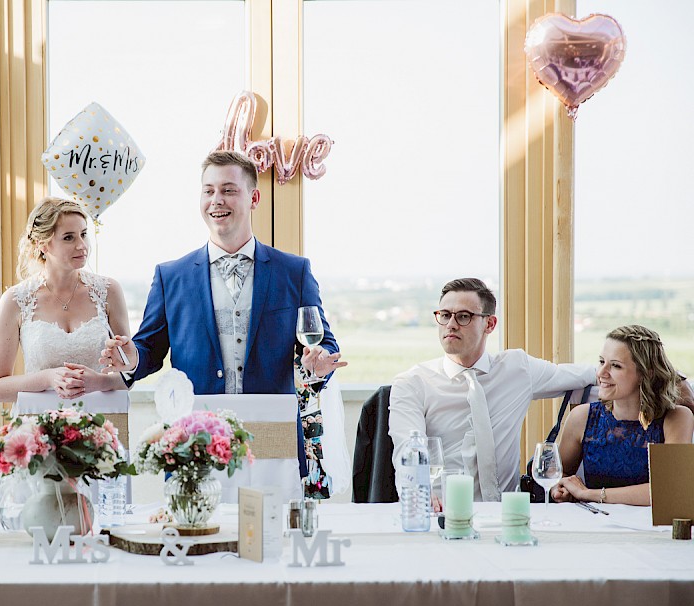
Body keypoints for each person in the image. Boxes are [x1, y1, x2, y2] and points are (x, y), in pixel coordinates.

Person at [100, 150, 346, 474]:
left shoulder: (294, 271)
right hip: (196, 442)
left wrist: (318, 363)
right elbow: (149, 350)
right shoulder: (171, 276)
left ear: (254, 197)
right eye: (209, 190)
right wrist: (130, 357)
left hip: (273, 439)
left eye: (229, 190)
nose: (217, 199)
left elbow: (323, 343)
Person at [389, 278, 595, 501]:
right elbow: (408, 451)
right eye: (445, 315)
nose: (451, 324)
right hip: (440, 512)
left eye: (464, 316)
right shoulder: (412, 383)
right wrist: (420, 495)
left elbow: (587, 375)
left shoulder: (517, 368)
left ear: (490, 324)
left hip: (507, 513)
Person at [0, 197, 130, 403]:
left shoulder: (109, 292)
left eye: (83, 234)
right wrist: (47, 378)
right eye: (69, 238)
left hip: (101, 422)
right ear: (42, 244)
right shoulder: (15, 301)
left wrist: (100, 381)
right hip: (38, 426)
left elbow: (130, 374)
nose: (82, 246)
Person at [552, 325, 693, 506]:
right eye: (602, 362)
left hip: (652, 529)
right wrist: (561, 488)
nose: (601, 373)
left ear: (645, 374)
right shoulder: (581, 417)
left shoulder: (676, 418)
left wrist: (589, 494)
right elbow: (560, 475)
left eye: (616, 366)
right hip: (593, 525)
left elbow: (669, 490)